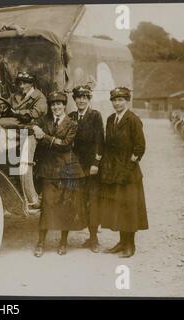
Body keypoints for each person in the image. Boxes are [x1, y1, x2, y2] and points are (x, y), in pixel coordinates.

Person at [32, 91, 87, 257]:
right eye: (53, 104)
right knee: (47, 206)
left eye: (59, 104)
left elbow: (65, 145)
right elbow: (33, 128)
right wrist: (34, 127)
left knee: (66, 206)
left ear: (64, 106)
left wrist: (45, 137)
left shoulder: (72, 123)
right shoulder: (44, 121)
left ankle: (63, 243)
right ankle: (41, 243)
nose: (56, 107)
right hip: (48, 169)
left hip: (66, 169)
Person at [100, 87, 148, 258]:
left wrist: (127, 169)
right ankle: (121, 242)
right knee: (118, 208)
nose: (117, 103)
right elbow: (108, 145)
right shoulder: (111, 119)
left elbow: (140, 148)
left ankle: (130, 245)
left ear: (127, 101)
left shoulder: (133, 120)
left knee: (130, 209)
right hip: (114, 171)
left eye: (120, 100)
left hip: (129, 173)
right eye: (114, 100)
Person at [68, 85, 104, 253]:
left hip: (91, 167)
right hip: (76, 166)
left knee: (93, 201)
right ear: (74, 99)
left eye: (84, 97)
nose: (81, 100)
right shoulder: (71, 116)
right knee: (78, 200)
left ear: (89, 99)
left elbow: (100, 141)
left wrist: (96, 163)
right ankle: (79, 236)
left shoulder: (95, 116)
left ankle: (94, 238)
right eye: (78, 97)